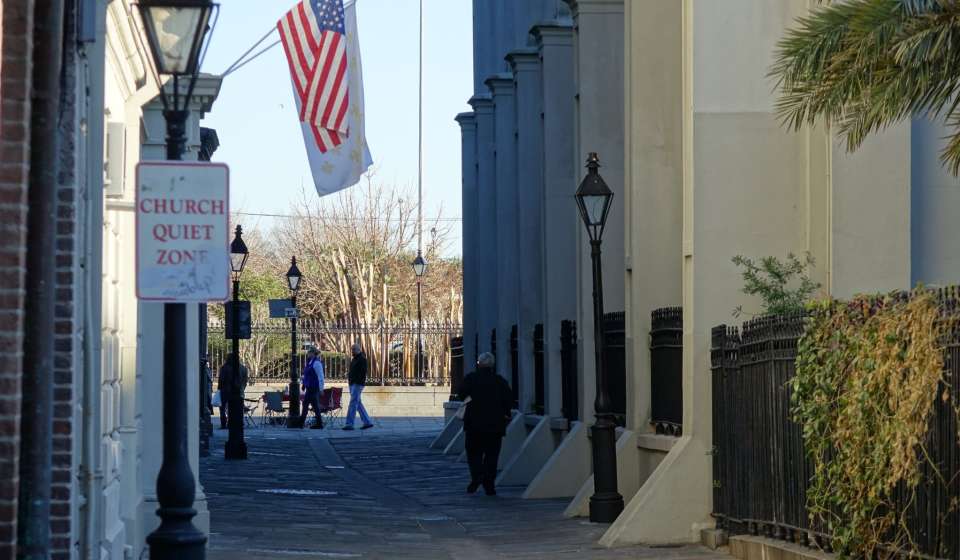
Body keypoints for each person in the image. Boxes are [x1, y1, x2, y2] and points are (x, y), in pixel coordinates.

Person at [460, 352, 513, 496]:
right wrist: (506, 413)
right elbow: (508, 399)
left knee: (473, 453)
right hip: (495, 424)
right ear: (492, 365)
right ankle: (489, 484)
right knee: (492, 455)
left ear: (479, 364)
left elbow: (461, 394)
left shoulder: (471, 379)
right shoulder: (499, 381)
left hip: (474, 423)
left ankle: (477, 476)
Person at [343, 343, 373, 430]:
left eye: (354, 349)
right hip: (353, 384)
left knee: (353, 403)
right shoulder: (354, 359)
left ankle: (349, 424)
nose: (352, 351)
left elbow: (362, 373)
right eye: (352, 349)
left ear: (358, 350)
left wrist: (357, 382)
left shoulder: (362, 359)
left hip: (357, 384)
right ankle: (367, 422)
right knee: (358, 403)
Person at [217, 353, 248, 430]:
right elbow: (245, 381)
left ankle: (223, 423)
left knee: (223, 408)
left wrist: (219, 389)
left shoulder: (224, 368)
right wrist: (242, 389)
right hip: (238, 391)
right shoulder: (243, 368)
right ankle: (235, 423)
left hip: (225, 391)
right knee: (236, 408)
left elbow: (221, 380)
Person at [299, 346, 325, 429]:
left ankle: (302, 423)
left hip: (314, 388)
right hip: (309, 387)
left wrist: (321, 389)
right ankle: (318, 423)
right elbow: (307, 375)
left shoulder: (317, 363)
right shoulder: (310, 362)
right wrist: (303, 383)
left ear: (313, 353)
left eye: (309, 352)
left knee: (310, 405)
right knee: (312, 405)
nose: (308, 354)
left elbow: (321, 377)